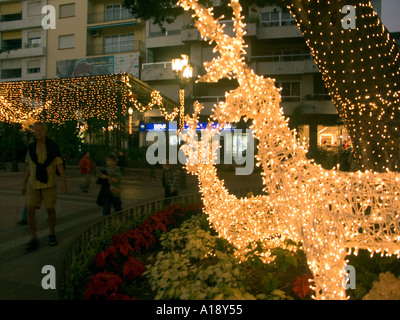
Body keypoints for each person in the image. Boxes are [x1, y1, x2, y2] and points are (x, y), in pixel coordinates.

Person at [22, 122, 67, 252]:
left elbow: (59, 165)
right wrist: (24, 183)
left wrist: (64, 181)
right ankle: (33, 238)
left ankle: (52, 234)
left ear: (45, 131)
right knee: (30, 208)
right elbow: (28, 167)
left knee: (50, 209)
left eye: (40, 130)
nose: (38, 132)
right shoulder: (31, 148)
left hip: (49, 183)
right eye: (36, 130)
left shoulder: (52, 147)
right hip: (33, 183)